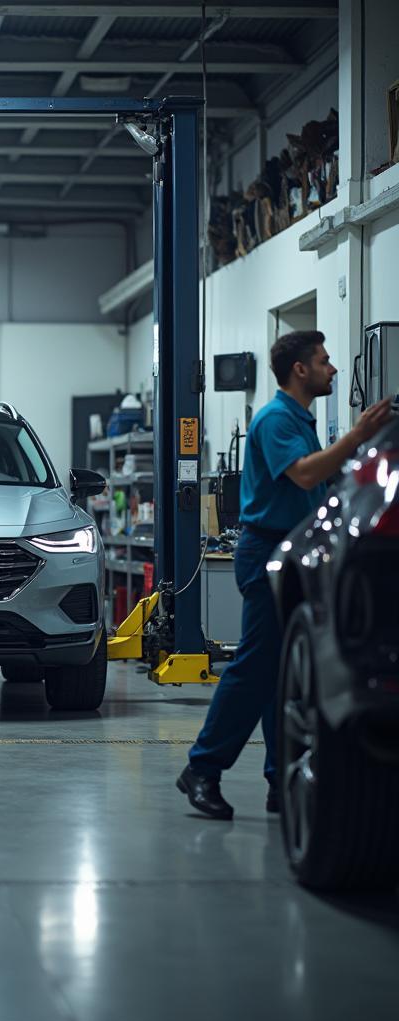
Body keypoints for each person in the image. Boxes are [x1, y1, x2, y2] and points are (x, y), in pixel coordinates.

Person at [177, 331, 392, 819]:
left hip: (292, 552)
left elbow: (319, 480)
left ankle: (281, 781)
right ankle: (202, 769)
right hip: (266, 550)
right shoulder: (276, 419)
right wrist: (355, 437)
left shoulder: (298, 420)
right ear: (300, 369)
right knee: (255, 668)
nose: (333, 369)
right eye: (324, 360)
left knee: (282, 673)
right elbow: (304, 475)